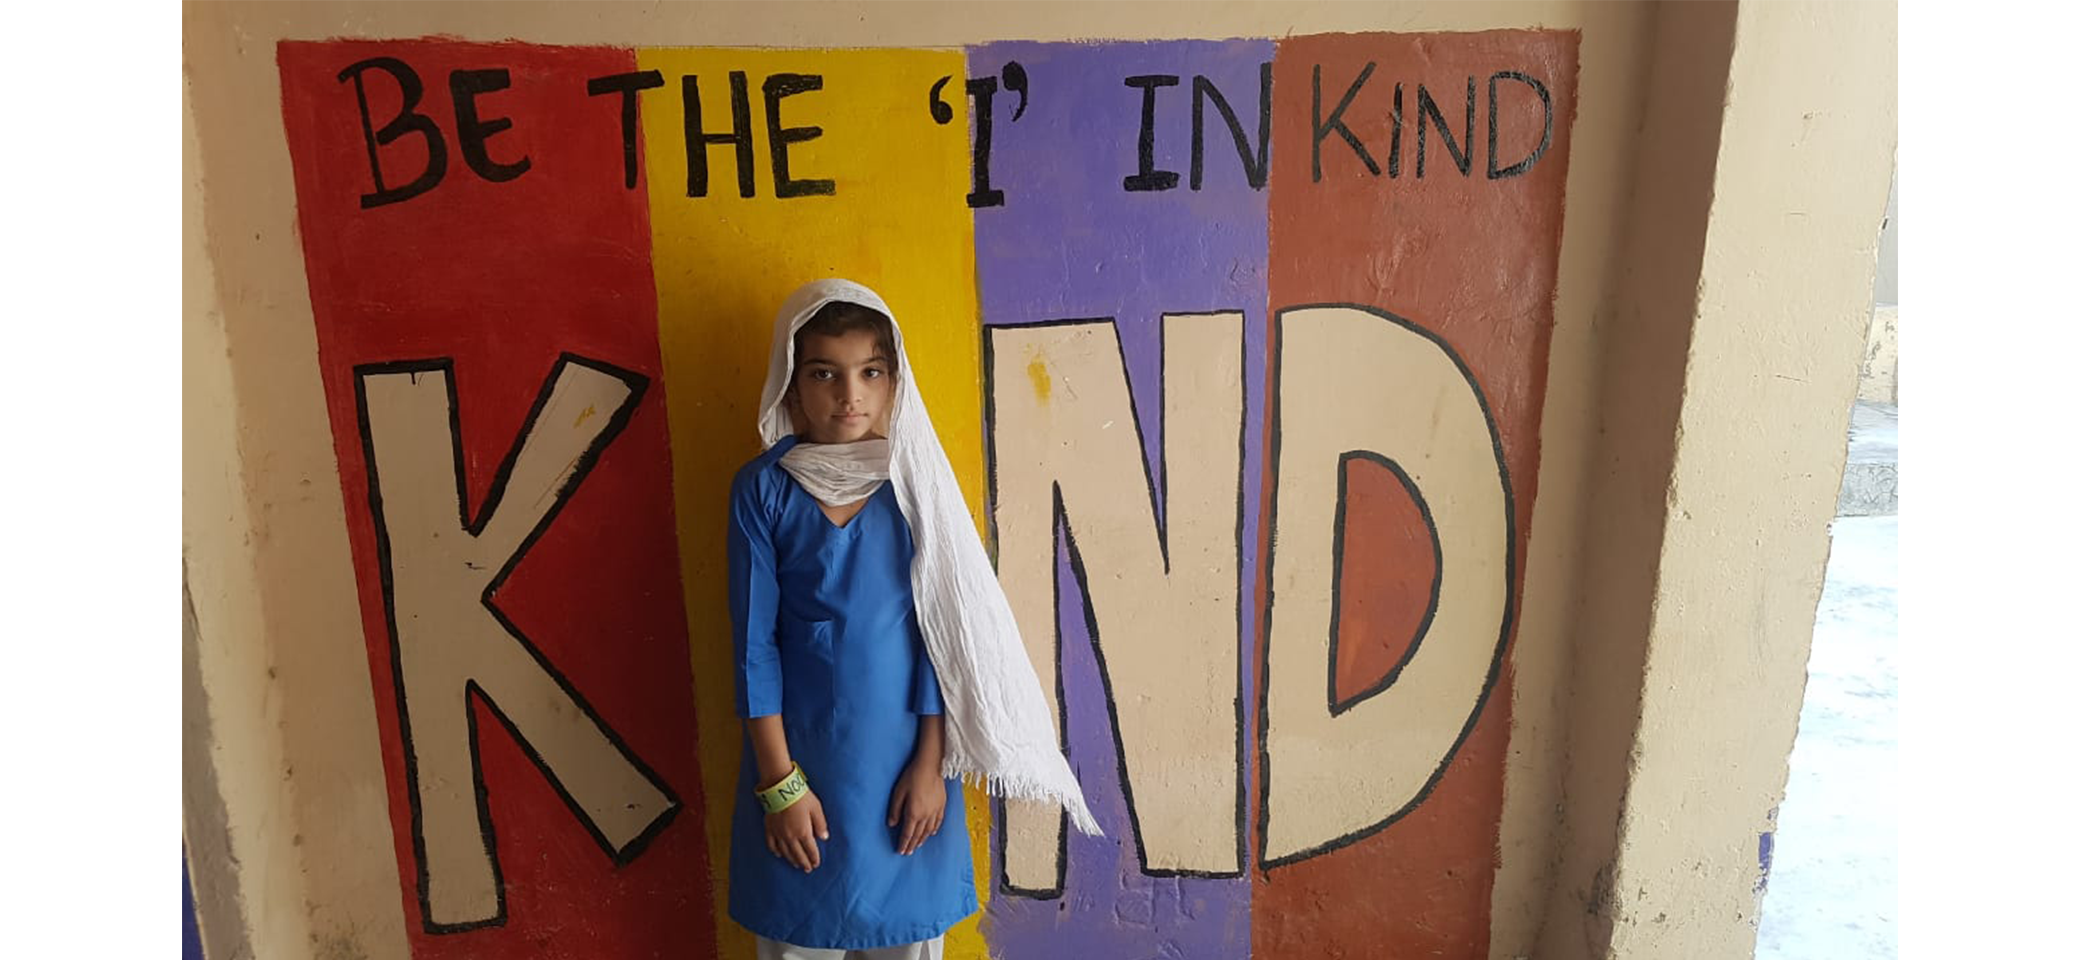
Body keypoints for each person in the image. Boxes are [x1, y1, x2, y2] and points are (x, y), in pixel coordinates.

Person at [725, 280, 1098, 960]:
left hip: (909, 777)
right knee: (796, 940)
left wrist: (932, 765)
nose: (850, 395)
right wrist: (779, 786)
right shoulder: (763, 491)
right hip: (798, 770)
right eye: (824, 374)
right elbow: (755, 649)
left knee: (908, 943)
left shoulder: (916, 486)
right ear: (791, 383)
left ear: (896, 382)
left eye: (871, 372)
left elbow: (945, 637)